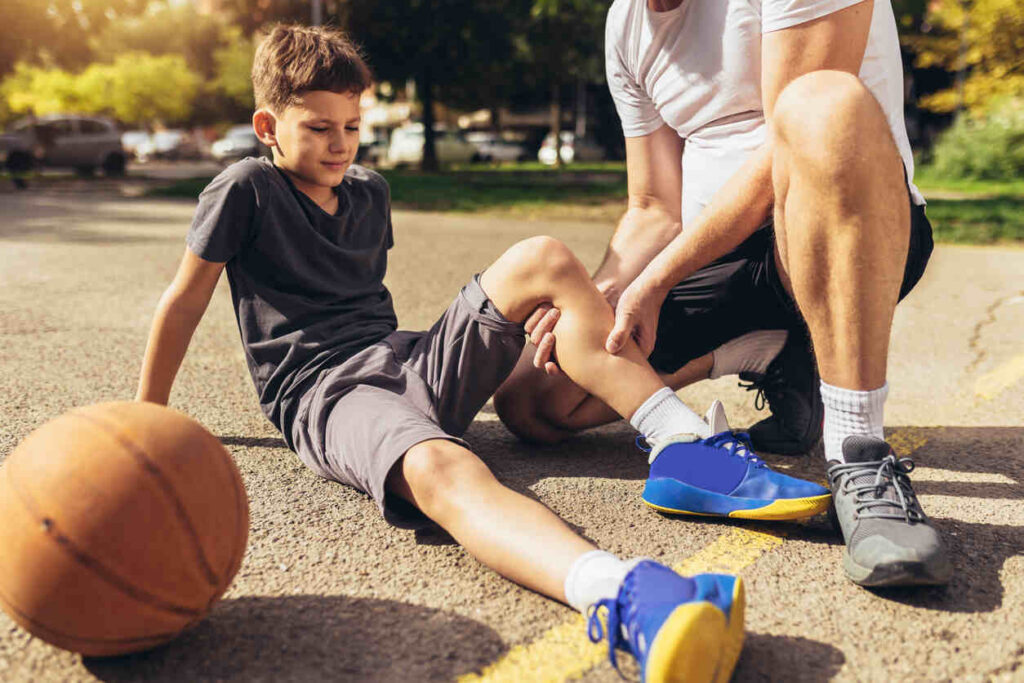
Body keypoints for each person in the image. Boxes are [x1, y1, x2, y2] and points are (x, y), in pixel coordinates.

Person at [133, 24, 834, 681]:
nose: (340, 144)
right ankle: (620, 593)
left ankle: (679, 442)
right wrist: (145, 418)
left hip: (408, 358)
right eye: (318, 129)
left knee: (546, 258)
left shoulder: (369, 192)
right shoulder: (246, 189)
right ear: (267, 127)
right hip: (329, 392)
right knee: (443, 464)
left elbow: (368, 303)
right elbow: (184, 301)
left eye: (351, 126)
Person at [496, 0, 951, 588]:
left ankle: (858, 453)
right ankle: (769, 351)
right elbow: (654, 207)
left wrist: (657, 280)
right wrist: (606, 288)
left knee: (822, 104)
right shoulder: (625, 23)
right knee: (536, 400)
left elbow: (792, 151)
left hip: (838, 230)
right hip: (715, 258)